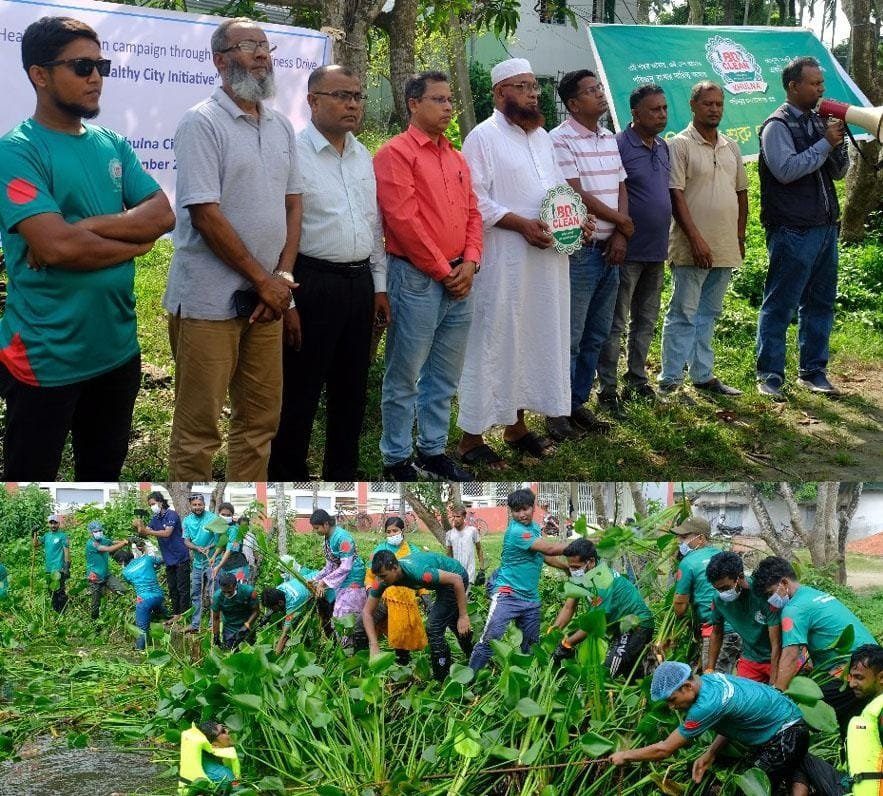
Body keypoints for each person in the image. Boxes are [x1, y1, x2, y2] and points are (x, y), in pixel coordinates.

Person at [0, 16, 174, 481]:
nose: (96, 77)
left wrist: (86, 227)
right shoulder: (17, 150)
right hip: (45, 358)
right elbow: (56, 248)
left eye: (101, 65)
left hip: (117, 351)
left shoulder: (112, 143)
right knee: (31, 483)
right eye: (82, 66)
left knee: (102, 477)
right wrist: (134, 243)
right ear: (39, 74)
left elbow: (162, 216)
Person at [164, 17, 303, 480]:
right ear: (220, 60)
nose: (262, 54)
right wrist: (264, 281)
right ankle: (189, 526)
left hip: (266, 305)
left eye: (266, 46)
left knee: (260, 423)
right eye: (249, 46)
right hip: (208, 304)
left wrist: (281, 278)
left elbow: (293, 204)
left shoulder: (281, 126)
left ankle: (246, 521)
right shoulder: (202, 123)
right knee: (198, 432)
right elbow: (205, 214)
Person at [269, 63, 388, 481]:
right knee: (299, 392)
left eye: (357, 96)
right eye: (341, 95)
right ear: (313, 100)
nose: (352, 104)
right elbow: (278, 230)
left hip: (358, 285)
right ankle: (287, 476)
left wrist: (379, 286)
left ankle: (342, 471)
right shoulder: (291, 154)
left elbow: (372, 225)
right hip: (310, 281)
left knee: (351, 391)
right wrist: (289, 301)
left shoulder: (361, 155)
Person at [456, 58, 573, 466]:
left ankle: (516, 426)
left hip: (546, 260)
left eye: (534, 86)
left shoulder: (541, 138)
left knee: (533, 336)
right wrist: (521, 224)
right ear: (500, 93)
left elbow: (558, 191)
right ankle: (471, 437)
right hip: (503, 258)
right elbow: (475, 199)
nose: (532, 92)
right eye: (522, 86)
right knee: (496, 340)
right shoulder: (482, 137)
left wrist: (576, 222)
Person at [373, 71, 482, 481]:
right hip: (418, 278)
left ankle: (433, 450)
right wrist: (444, 270)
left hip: (461, 276)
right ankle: (396, 459)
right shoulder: (394, 154)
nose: (448, 106)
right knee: (404, 373)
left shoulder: (455, 156)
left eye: (450, 99)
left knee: (444, 375)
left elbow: (473, 212)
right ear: (413, 104)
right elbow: (403, 221)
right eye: (438, 99)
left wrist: (470, 261)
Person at [755, 56, 850, 400]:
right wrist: (825, 143)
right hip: (793, 229)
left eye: (821, 84)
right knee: (780, 303)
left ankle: (813, 371)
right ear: (794, 86)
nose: (821, 90)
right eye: (814, 84)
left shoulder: (818, 121)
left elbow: (837, 173)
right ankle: (769, 375)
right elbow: (786, 170)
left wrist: (838, 144)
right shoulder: (776, 126)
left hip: (824, 228)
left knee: (820, 303)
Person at [547, 69, 630, 440]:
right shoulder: (560, 140)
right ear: (573, 104)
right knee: (572, 335)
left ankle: (577, 402)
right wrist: (622, 223)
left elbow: (620, 184)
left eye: (600, 87)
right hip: (579, 253)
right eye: (591, 90)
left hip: (610, 250)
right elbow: (577, 194)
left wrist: (620, 232)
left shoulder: (608, 137)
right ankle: (557, 411)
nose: (600, 93)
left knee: (597, 334)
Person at [658, 81, 747, 403]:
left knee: (709, 313)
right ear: (693, 105)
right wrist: (695, 239)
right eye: (708, 103)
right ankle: (669, 382)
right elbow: (675, 193)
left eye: (719, 104)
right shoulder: (679, 145)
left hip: (724, 244)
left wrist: (739, 236)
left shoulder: (731, 146)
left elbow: (742, 193)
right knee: (683, 312)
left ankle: (703, 375)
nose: (714, 109)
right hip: (691, 246)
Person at [611, 661, 811, 795]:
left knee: (747, 790)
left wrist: (626, 755)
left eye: (672, 700)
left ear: (687, 687)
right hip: (789, 721)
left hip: (786, 735)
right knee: (783, 772)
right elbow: (730, 720)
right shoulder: (711, 679)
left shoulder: (705, 706)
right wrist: (711, 752)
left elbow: (665, 749)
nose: (672, 707)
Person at [597, 85, 671, 413]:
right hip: (626, 251)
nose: (662, 114)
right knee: (616, 322)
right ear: (635, 114)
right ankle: (607, 389)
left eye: (664, 108)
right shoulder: (617, 146)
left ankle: (637, 379)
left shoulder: (663, 147)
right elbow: (611, 193)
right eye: (654, 109)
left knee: (646, 319)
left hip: (657, 250)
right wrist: (619, 234)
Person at [752, 555, 876, 735]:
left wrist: (777, 694)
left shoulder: (793, 609)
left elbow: (790, 656)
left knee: (803, 714)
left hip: (851, 671)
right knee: (852, 723)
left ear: (784, 583)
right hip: (872, 663)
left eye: (770, 593)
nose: (770, 600)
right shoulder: (813, 594)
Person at [469, 488, 570, 672]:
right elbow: (549, 550)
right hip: (508, 595)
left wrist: (565, 567)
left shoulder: (533, 529)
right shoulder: (516, 531)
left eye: (525, 509)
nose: (522, 514)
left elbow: (543, 556)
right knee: (490, 639)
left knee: (531, 645)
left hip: (530, 599)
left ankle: (527, 680)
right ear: (511, 511)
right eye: (516, 511)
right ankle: (467, 680)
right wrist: (583, 545)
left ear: (533, 507)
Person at [550, 538, 654, 681]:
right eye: (570, 567)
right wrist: (554, 629)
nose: (573, 571)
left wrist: (567, 643)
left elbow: (593, 625)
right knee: (631, 674)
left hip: (636, 625)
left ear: (591, 562)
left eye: (576, 567)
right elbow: (569, 606)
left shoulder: (603, 581)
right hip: (621, 627)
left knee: (607, 672)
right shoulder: (583, 575)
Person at [363, 549, 472, 680]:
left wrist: (463, 615)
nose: (380, 580)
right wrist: (374, 645)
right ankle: (475, 655)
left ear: (395, 568)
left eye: (383, 576)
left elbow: (457, 580)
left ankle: (441, 676)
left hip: (455, 578)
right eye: (378, 576)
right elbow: (367, 612)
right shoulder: (380, 580)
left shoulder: (421, 574)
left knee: (434, 627)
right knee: (451, 620)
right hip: (442, 582)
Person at [353, 518, 429, 665]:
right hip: (383, 598)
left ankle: (402, 669)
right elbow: (370, 576)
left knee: (402, 636)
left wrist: (425, 596)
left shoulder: (413, 551)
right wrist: (370, 590)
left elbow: (419, 578)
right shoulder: (379, 551)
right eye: (388, 532)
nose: (392, 534)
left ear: (402, 531)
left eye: (395, 531)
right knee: (360, 626)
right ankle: (360, 663)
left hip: (404, 601)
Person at [671, 517, 741, 673]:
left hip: (716, 632)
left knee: (714, 685)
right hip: (741, 629)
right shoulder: (722, 556)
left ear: (701, 538)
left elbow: (680, 608)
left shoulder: (688, 563)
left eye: (684, 537)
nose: (679, 541)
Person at [705, 550, 782, 684]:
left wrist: (774, 683)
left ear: (740, 577)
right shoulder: (719, 600)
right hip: (751, 658)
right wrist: (710, 668)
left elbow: (777, 643)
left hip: (778, 656)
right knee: (744, 698)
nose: (722, 593)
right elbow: (717, 633)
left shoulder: (763, 594)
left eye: (725, 587)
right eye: (718, 589)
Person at [307, 509, 367, 640]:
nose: (315, 531)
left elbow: (346, 566)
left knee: (348, 613)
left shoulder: (343, 538)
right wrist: (316, 579)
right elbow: (330, 566)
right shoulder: (327, 539)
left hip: (353, 578)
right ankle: (344, 644)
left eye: (317, 528)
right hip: (342, 578)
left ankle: (352, 645)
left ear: (326, 524)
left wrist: (324, 582)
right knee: (339, 612)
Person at [133, 491, 190, 620]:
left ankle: (185, 616)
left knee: (183, 589)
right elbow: (145, 532)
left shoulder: (172, 515)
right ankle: (176, 614)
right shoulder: (155, 519)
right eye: (150, 505)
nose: (152, 506)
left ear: (160, 502)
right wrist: (138, 525)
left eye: (153, 503)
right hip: (169, 560)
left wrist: (146, 530)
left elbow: (167, 533)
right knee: (172, 588)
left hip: (180, 557)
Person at [846, 644, 883, 793]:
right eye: (851, 677)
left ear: (881, 677)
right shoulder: (871, 708)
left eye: (859, 678)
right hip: (856, 787)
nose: (852, 684)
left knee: (803, 762)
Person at [114, 546, 167, 651]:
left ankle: (139, 650)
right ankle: (167, 615)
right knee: (155, 604)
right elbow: (161, 560)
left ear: (121, 562)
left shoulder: (126, 572)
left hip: (144, 600)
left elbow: (131, 582)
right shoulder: (147, 559)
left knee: (141, 629)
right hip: (159, 596)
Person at [182, 494, 220, 634]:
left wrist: (209, 547)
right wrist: (196, 548)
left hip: (212, 562)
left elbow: (219, 540)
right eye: (195, 505)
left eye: (200, 504)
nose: (197, 507)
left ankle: (212, 625)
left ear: (204, 504)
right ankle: (195, 624)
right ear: (191, 506)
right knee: (196, 594)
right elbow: (186, 541)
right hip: (197, 563)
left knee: (213, 594)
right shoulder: (187, 521)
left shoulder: (212, 519)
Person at [261, 556, 312, 655]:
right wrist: (268, 615)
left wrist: (275, 656)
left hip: (327, 588)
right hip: (312, 577)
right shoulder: (280, 588)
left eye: (272, 608)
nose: (273, 610)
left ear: (280, 603)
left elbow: (285, 634)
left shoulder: (292, 606)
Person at [84, 519, 128, 620]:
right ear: (91, 533)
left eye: (100, 530)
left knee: (121, 590)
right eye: (95, 531)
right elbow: (108, 549)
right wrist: (123, 543)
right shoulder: (92, 544)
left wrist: (125, 541)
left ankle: (113, 605)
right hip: (95, 577)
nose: (98, 533)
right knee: (96, 604)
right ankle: (94, 622)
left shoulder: (103, 539)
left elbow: (111, 542)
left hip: (106, 574)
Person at [211, 571, 260, 650]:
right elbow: (216, 618)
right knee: (230, 652)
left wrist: (247, 625)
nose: (227, 594)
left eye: (229, 591)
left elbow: (256, 611)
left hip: (247, 627)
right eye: (224, 592)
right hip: (229, 629)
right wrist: (216, 636)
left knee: (248, 651)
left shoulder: (249, 592)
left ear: (235, 586)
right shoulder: (217, 597)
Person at [34, 514, 69, 612]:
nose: (53, 525)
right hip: (48, 569)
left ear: (59, 524)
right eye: (51, 523)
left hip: (59, 568)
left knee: (60, 592)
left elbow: (66, 551)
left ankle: (63, 612)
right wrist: (34, 533)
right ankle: (56, 612)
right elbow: (35, 545)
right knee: (51, 592)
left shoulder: (63, 536)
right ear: (48, 524)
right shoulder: (46, 536)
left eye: (55, 523)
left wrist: (67, 566)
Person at [446, 505, 486, 585]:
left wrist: (482, 568)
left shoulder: (472, 531)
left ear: (464, 517)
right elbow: (449, 555)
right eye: (453, 516)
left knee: (465, 594)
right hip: (456, 571)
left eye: (458, 516)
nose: (455, 519)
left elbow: (479, 549)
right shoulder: (449, 534)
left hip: (469, 571)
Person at [211, 503, 250, 583]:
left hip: (239, 567)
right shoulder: (222, 527)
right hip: (226, 567)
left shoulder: (234, 530)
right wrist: (214, 556)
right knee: (227, 592)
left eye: (228, 515)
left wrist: (218, 566)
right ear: (219, 514)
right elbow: (222, 545)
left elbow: (229, 550)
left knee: (239, 590)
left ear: (232, 515)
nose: (225, 517)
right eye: (223, 514)